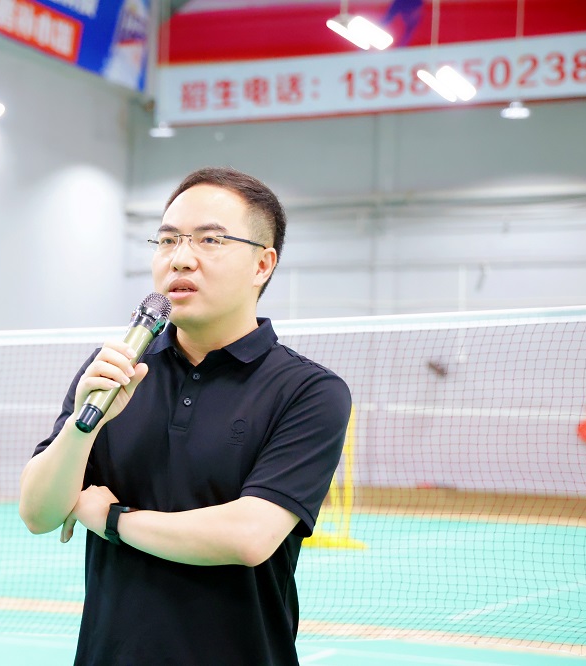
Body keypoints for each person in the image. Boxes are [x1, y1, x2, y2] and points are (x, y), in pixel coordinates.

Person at [19, 167, 352, 665]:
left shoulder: (308, 391)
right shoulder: (114, 371)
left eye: (210, 240)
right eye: (168, 239)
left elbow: (247, 535)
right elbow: (38, 513)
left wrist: (109, 519)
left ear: (262, 264)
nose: (180, 258)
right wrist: (81, 428)